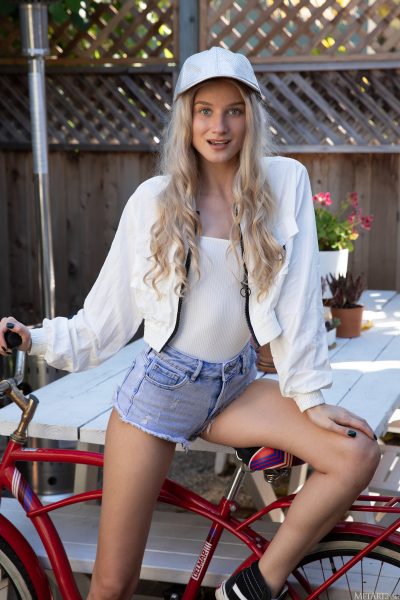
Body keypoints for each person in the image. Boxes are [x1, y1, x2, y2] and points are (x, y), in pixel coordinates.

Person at [0, 46, 380, 600]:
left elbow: (299, 299)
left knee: (357, 452)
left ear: (251, 116)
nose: (218, 126)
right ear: (186, 117)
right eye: (205, 111)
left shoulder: (284, 183)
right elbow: (102, 324)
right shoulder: (153, 202)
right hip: (162, 393)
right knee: (113, 583)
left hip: (235, 386)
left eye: (233, 111)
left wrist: (310, 396)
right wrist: (33, 338)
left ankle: (253, 585)